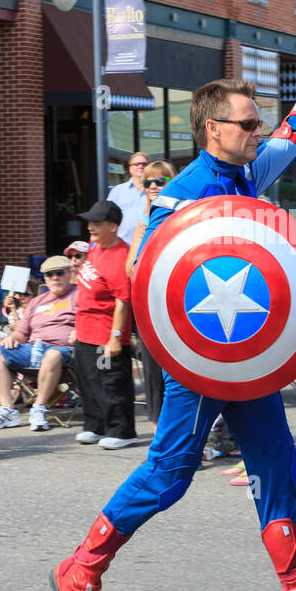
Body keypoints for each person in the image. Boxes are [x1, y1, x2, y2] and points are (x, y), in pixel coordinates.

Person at [52, 29, 296, 591]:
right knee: (169, 474)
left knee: (278, 464)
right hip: (199, 360)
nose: (257, 132)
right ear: (213, 130)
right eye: (247, 124)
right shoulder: (178, 199)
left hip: (246, 355)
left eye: (256, 124)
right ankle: (81, 569)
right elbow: (152, 283)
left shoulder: (247, 172)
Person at [0, 255, 77, 433]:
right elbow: (22, 332)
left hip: (65, 352)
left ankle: (39, 408)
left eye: (59, 273)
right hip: (33, 349)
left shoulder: (79, 295)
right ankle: (7, 409)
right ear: (44, 279)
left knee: (52, 354)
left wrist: (80, 332)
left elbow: (91, 321)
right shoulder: (38, 301)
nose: (54, 277)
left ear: (70, 273)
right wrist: (12, 338)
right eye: (49, 275)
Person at [71, 200, 136, 449]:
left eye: (97, 223)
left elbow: (122, 302)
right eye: (89, 222)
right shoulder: (95, 248)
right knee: (88, 381)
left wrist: (115, 337)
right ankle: (95, 426)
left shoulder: (121, 257)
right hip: (85, 329)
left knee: (110, 382)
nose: (90, 227)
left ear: (113, 226)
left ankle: (121, 431)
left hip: (104, 333)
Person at [126, 160, 176, 431]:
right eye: (148, 182)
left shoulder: (181, 216)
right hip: (148, 302)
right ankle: (161, 432)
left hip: (177, 302)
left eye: (160, 181)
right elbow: (130, 268)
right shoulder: (143, 222)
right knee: (153, 370)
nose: (153, 187)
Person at [108, 151, 150, 243]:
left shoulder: (154, 191)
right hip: (122, 245)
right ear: (130, 169)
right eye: (136, 164)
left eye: (144, 164)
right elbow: (108, 217)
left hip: (147, 244)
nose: (140, 166)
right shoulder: (117, 191)